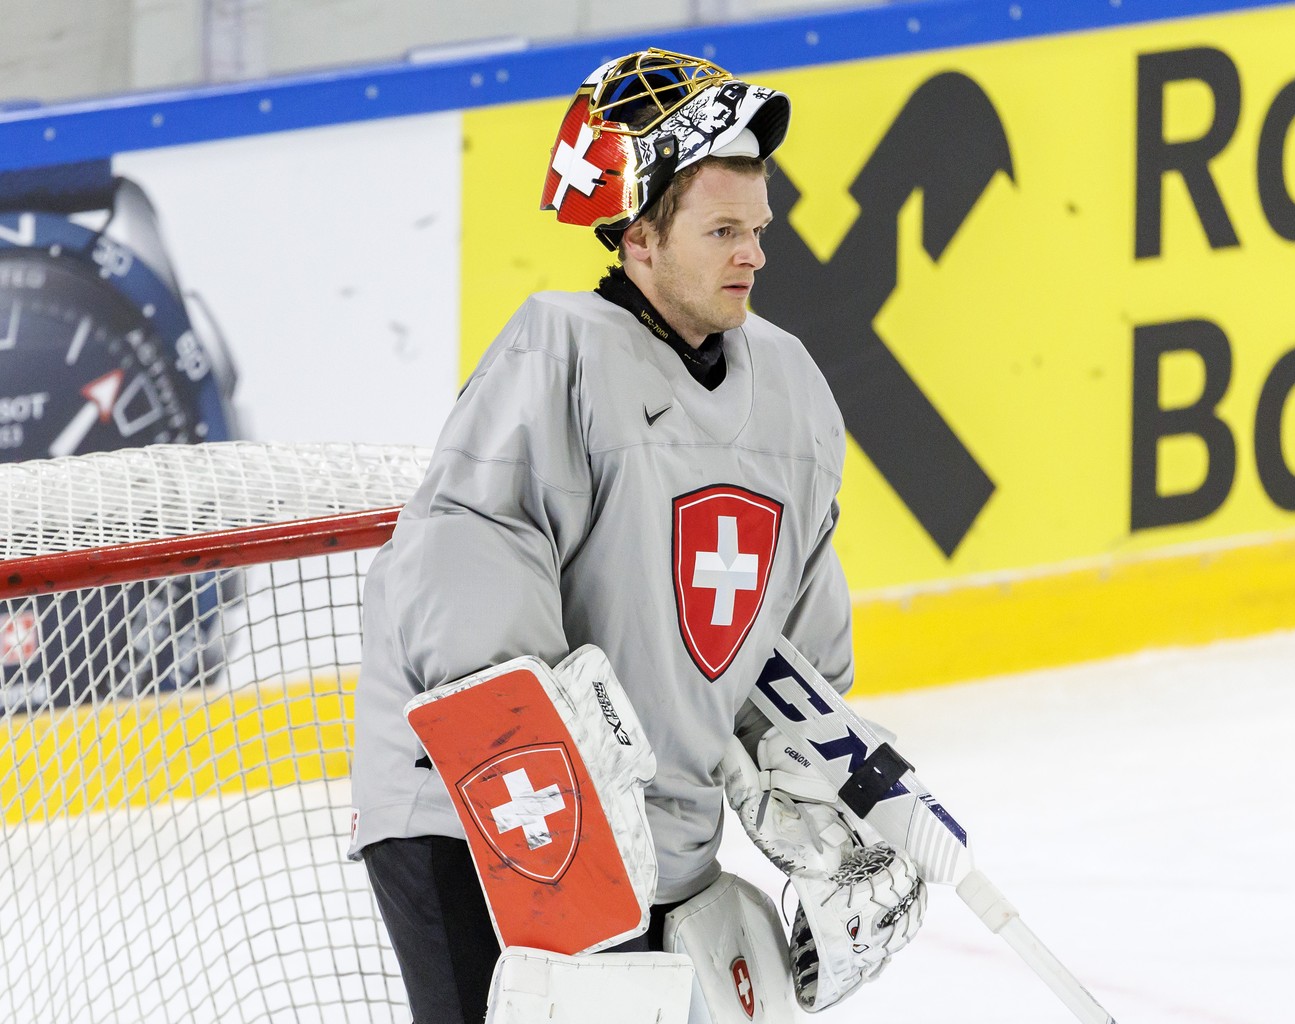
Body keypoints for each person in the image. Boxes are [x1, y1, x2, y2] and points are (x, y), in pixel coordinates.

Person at [348, 49, 923, 1024]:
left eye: (760, 229)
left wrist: (832, 809)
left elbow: (787, 659)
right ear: (640, 237)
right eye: (723, 230)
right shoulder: (556, 351)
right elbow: (468, 562)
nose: (756, 254)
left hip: (651, 839)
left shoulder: (791, 394)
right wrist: (566, 767)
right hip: (484, 817)